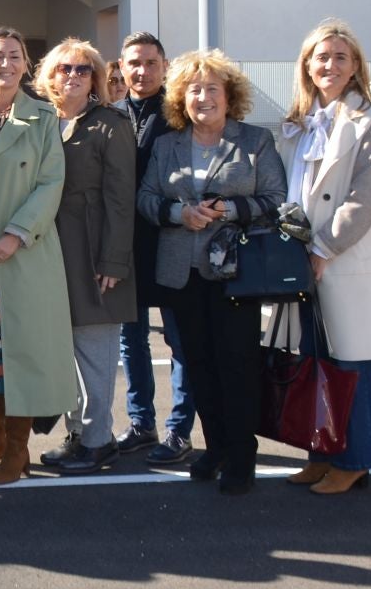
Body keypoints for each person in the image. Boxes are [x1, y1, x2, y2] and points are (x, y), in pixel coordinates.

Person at [137, 50, 285, 496]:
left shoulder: (255, 141)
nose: (203, 97)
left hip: (236, 273)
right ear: (182, 97)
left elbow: (277, 198)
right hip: (182, 273)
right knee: (198, 365)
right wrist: (178, 213)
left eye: (212, 89)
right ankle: (216, 446)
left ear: (230, 95)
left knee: (237, 365)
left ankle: (242, 454)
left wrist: (231, 209)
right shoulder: (166, 145)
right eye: (194, 90)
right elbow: (145, 199)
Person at [273, 20, 371, 496]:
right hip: (300, 257)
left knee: (354, 361)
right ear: (307, 64)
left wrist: (324, 248)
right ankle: (321, 451)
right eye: (321, 57)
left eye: (341, 57)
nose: (330, 65)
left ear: (356, 67)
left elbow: (366, 197)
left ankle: (357, 459)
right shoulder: (298, 122)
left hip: (344, 259)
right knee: (314, 358)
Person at [0, 28, 75, 485]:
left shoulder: (45, 117)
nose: (5, 64)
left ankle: (19, 449)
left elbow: (51, 183)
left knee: (23, 351)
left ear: (26, 65)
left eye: (14, 56)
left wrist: (15, 235)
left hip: (27, 252)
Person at [33, 38, 137, 475]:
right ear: (49, 76)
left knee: (94, 354)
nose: (72, 76)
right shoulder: (40, 122)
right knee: (62, 354)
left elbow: (120, 197)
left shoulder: (111, 124)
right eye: (63, 69)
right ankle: (78, 433)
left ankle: (97, 441)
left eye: (82, 69)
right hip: (47, 251)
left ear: (95, 78)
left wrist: (113, 261)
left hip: (93, 252)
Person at [114, 31, 193, 465]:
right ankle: (141, 422)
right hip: (127, 249)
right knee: (132, 340)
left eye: (150, 62)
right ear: (121, 69)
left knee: (181, 343)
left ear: (165, 66)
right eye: (133, 63)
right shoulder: (112, 115)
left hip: (174, 242)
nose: (142, 71)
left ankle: (179, 430)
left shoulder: (181, 115)